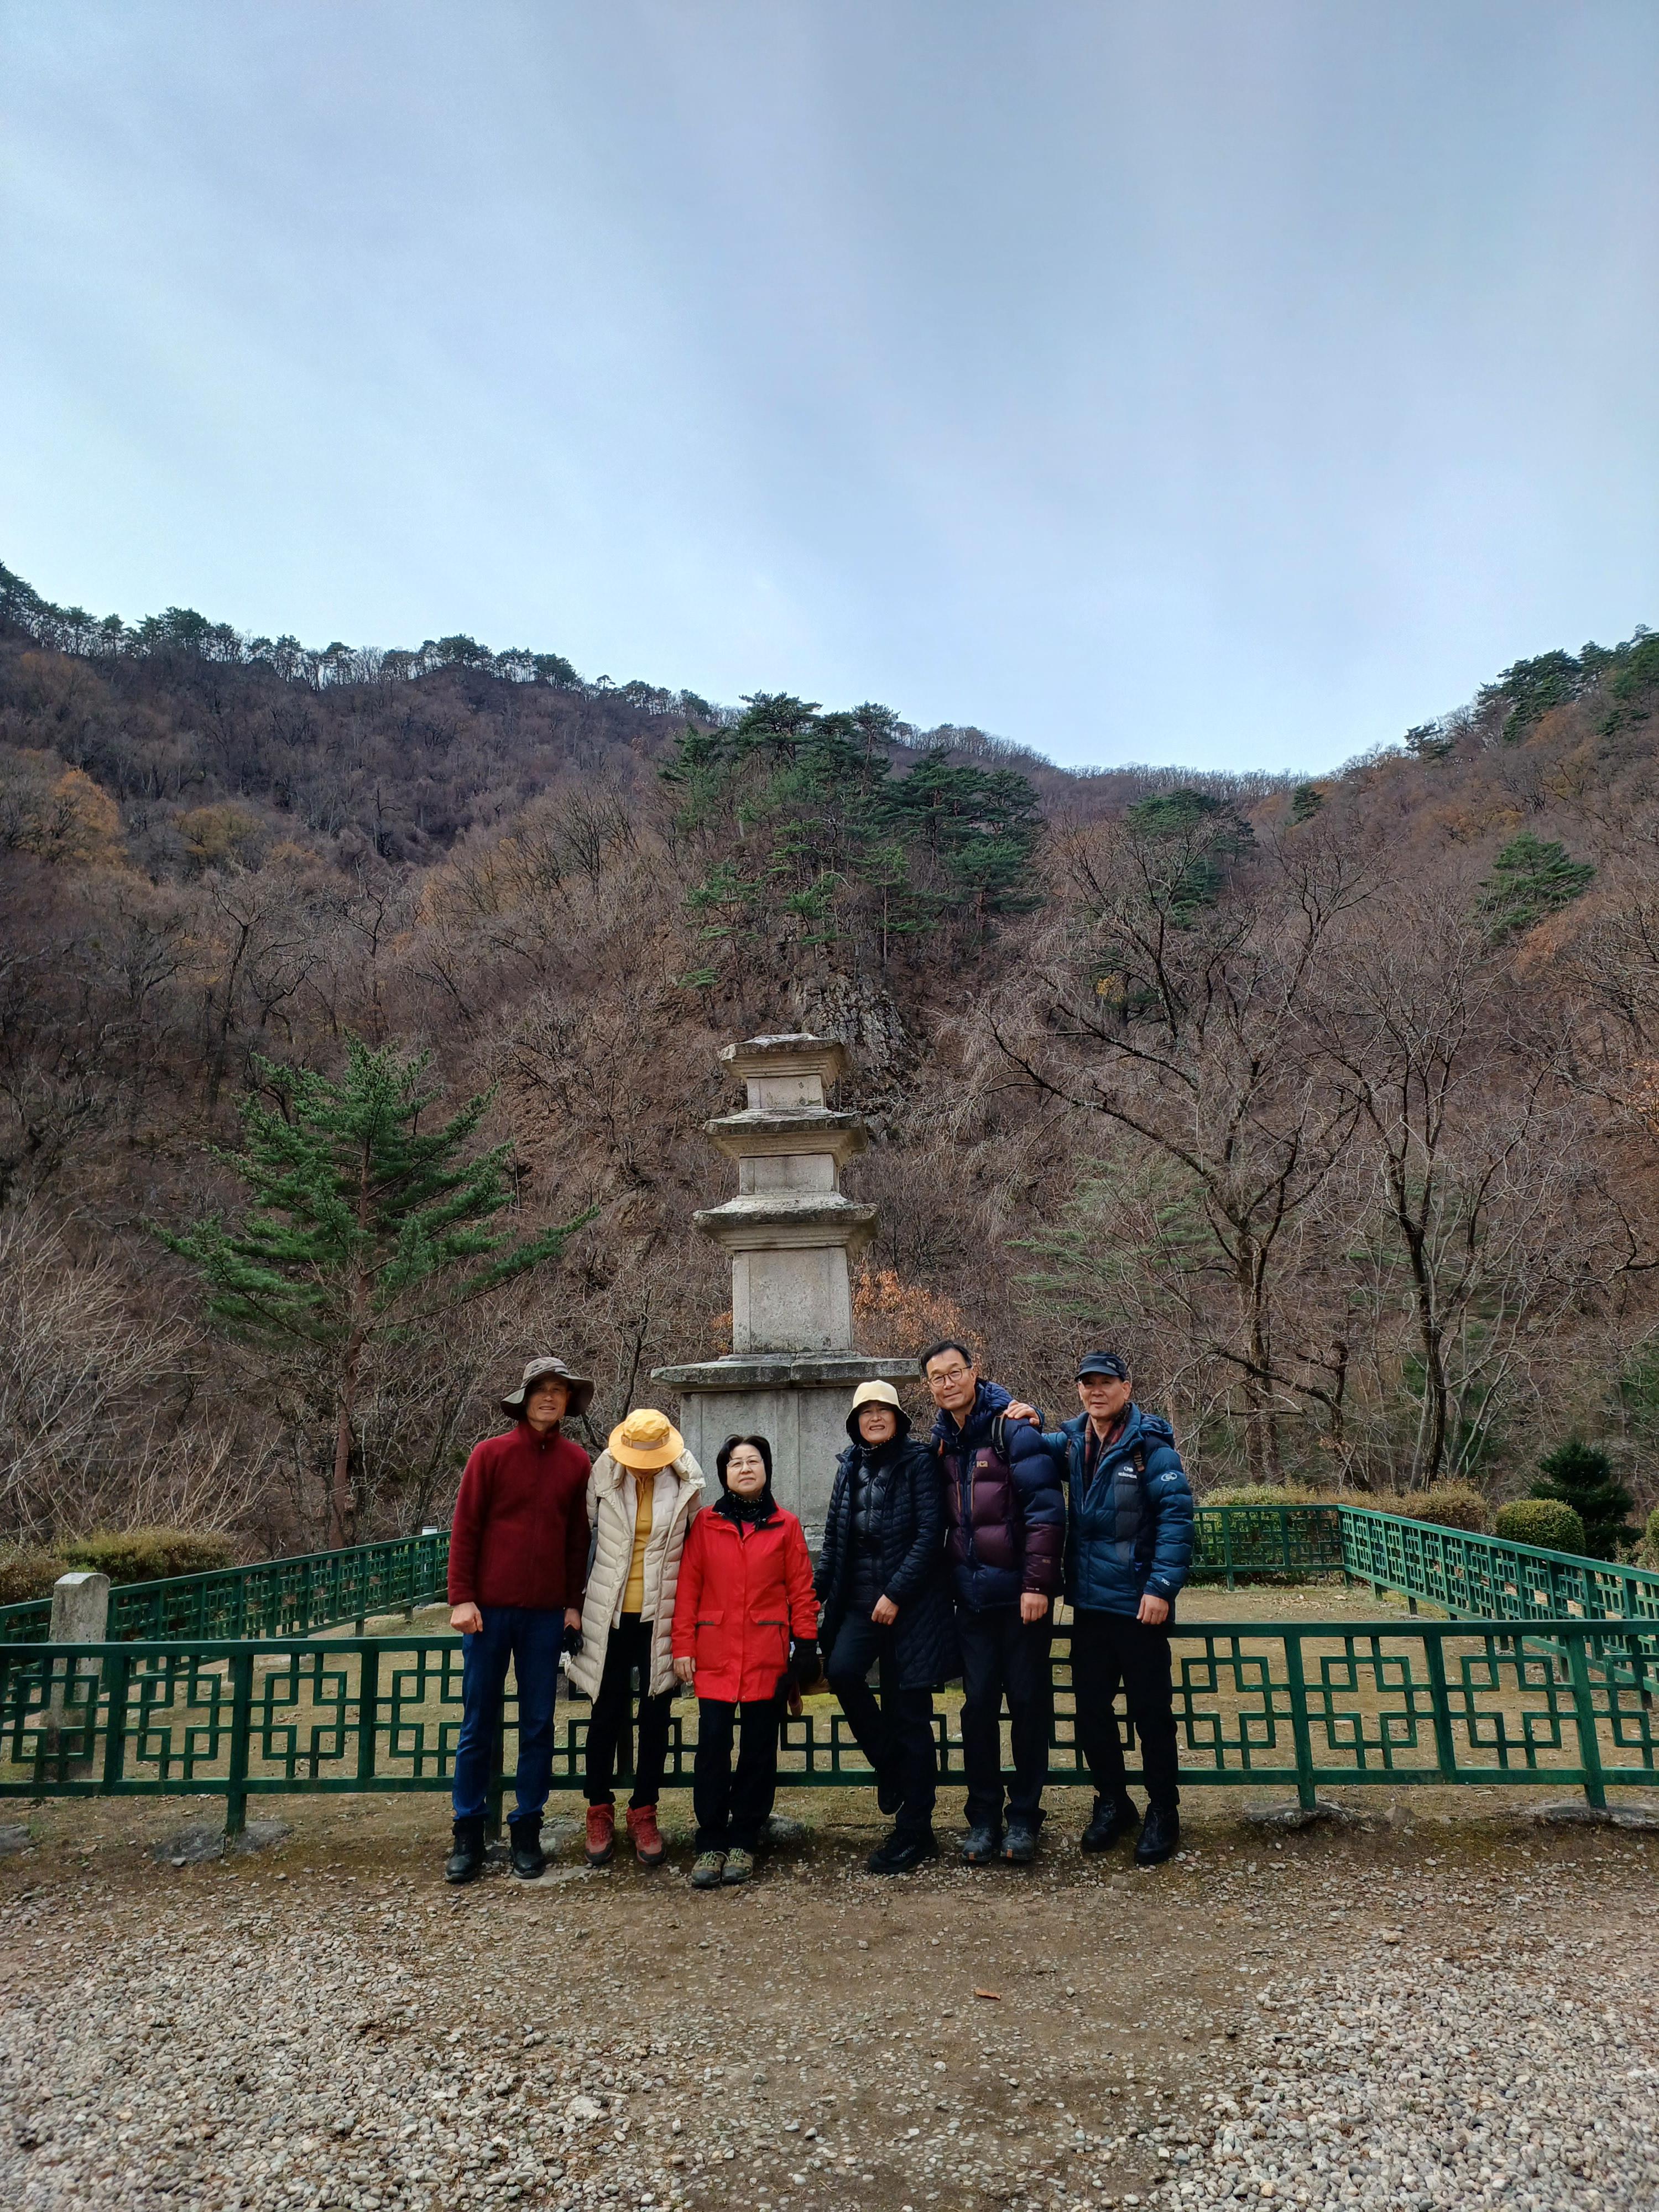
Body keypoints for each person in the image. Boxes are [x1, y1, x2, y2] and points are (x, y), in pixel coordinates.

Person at [1031, 1350, 1194, 1867]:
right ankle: (1113, 1802)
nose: (1095, 1391)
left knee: (1152, 1715)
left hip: (1139, 1608)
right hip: (1089, 1607)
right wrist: (1021, 1412)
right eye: (1087, 1383)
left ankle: (1163, 1809)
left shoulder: (1152, 1450)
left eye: (1105, 1382)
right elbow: (1025, 1444)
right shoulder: (1072, 1442)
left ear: (1127, 1387)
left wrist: (1161, 1588)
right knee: (1092, 1715)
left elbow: (1177, 1521)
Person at [446, 1355, 593, 1885]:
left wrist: (573, 1604)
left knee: (538, 1724)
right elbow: (465, 1528)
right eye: (541, 1389)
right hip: (488, 1612)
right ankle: (468, 1830)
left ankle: (527, 1827)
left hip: (546, 1615)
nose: (550, 1398)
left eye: (559, 1390)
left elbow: (578, 1539)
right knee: (477, 1721)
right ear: (525, 1398)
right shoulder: (490, 1455)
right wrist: (462, 1598)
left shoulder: (577, 1462)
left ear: (568, 1403)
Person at [922, 1339, 1065, 1867]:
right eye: (937, 1377)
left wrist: (1037, 1586)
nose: (948, 1383)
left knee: (1027, 1705)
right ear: (929, 1387)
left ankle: (1024, 1816)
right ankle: (983, 1817)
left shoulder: (1014, 1430)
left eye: (954, 1372)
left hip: (1022, 1600)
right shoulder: (942, 1442)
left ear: (974, 1371)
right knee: (978, 1707)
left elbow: (1046, 1512)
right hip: (972, 1601)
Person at [816, 1379, 959, 1874]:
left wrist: (896, 1593)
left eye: (884, 1410)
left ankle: (916, 1830)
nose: (875, 1418)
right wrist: (813, 1592)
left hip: (911, 1607)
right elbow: (834, 1538)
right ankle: (890, 1764)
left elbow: (930, 1534)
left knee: (909, 1716)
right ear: (855, 1422)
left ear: (898, 1418)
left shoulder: (919, 1462)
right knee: (842, 1672)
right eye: (866, 1411)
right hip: (858, 1603)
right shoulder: (848, 1467)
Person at [670, 1434, 819, 1889]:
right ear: (724, 1474)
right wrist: (683, 1646)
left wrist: (806, 1646)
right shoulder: (706, 1524)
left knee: (758, 1750)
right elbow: (688, 1588)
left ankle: (745, 1838)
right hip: (715, 1651)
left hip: (765, 1653)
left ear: (767, 1469)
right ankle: (711, 1839)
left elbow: (801, 1589)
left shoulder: (786, 1525)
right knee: (713, 1747)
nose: (746, 1469)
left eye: (754, 1461)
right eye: (736, 1463)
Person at [564, 1406, 705, 1869]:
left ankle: (644, 1810)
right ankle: (598, 1808)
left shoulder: (686, 1480)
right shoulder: (604, 1473)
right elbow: (580, 1538)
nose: (644, 1467)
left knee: (656, 1714)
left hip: (661, 1614)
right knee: (605, 1712)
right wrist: (571, 1605)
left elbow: (696, 1549)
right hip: (607, 1613)